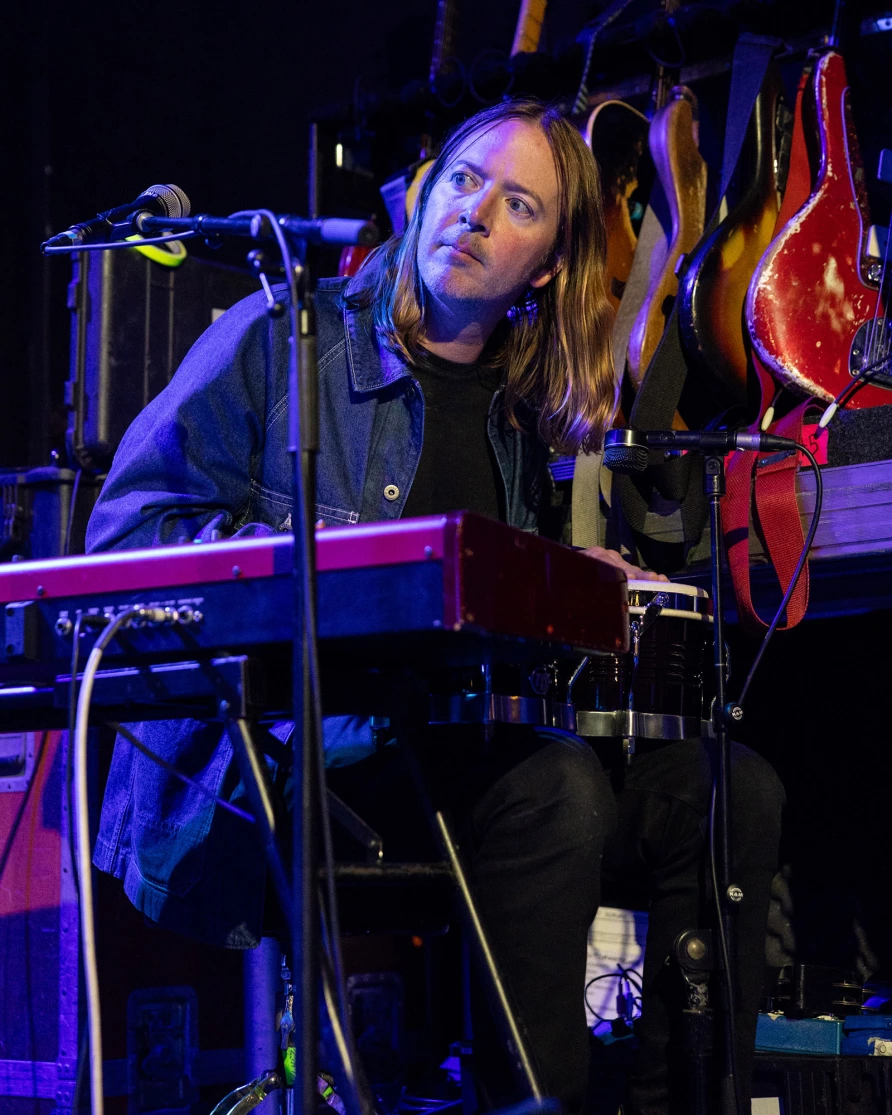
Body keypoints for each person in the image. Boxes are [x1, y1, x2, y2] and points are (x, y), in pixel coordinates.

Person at [87, 99, 783, 1114]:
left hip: (454, 757)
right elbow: (126, 542)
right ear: (421, 198)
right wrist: (309, 565)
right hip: (290, 760)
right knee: (555, 790)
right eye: (461, 181)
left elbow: (489, 630)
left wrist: (576, 587)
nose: (474, 213)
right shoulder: (281, 338)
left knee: (728, 788)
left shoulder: (520, 414)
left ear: (545, 264)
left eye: (517, 204)